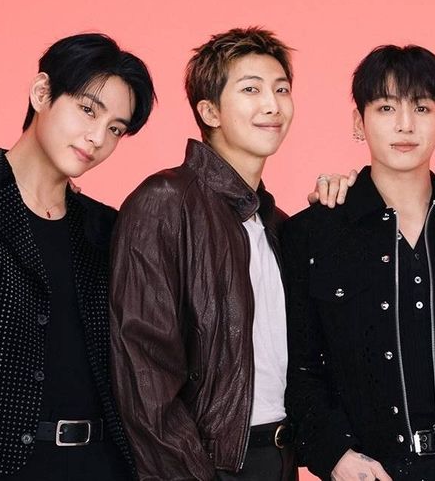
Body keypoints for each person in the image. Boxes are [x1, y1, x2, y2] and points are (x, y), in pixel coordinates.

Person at [0, 33, 155, 480]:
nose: (97, 138)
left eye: (116, 129)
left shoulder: (109, 228)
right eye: (88, 110)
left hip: (102, 466)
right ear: (42, 92)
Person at [282, 44, 435, 481]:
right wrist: (335, 456)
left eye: (421, 108)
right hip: (368, 471)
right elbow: (298, 366)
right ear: (358, 122)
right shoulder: (312, 233)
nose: (405, 124)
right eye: (386, 107)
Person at [108, 27, 298, 481]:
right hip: (205, 465)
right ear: (209, 110)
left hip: (280, 457)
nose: (272, 105)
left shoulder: (279, 225)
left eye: (281, 89)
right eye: (251, 89)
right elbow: (142, 370)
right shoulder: (164, 201)